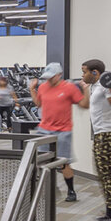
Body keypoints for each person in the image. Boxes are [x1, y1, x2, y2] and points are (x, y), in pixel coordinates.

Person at [79, 59, 111, 221]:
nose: (82, 74)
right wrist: (85, 88)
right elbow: (84, 105)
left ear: (94, 72)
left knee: (108, 176)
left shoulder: (106, 86)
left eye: (84, 71)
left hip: (109, 135)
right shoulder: (94, 86)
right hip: (101, 135)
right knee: (102, 175)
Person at [29, 62, 84, 202]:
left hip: (63, 131)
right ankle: (47, 189)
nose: (48, 80)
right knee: (41, 161)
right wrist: (32, 89)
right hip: (44, 130)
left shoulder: (69, 87)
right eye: (47, 77)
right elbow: (38, 103)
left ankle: (71, 191)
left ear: (59, 75)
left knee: (64, 162)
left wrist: (86, 89)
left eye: (51, 77)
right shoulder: (43, 87)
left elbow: (83, 104)